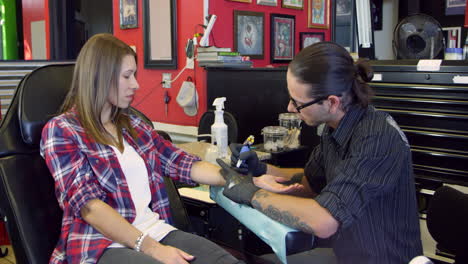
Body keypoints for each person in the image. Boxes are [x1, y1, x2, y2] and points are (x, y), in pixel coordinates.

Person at [40, 33, 243, 264]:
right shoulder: (62, 130)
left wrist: (237, 177)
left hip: (155, 231)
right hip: (101, 244)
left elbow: (181, 162)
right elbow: (90, 208)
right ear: (99, 77)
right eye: (127, 76)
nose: (135, 84)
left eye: (134, 75)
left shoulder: (134, 125)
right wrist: (151, 249)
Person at [217, 42, 423, 263]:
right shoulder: (335, 128)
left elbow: (323, 222)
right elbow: (309, 184)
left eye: (298, 103)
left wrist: (251, 194)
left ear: (332, 102)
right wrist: (259, 168)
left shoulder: (377, 139)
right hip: (348, 254)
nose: (290, 108)